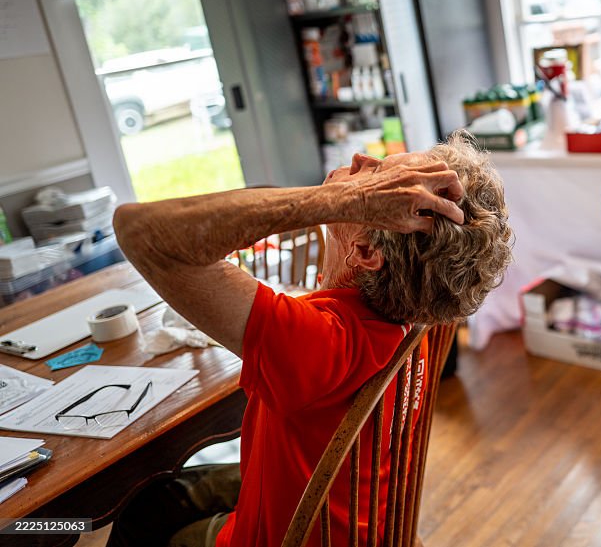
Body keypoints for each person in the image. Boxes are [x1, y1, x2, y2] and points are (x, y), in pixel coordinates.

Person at [107, 132, 513, 547]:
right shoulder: (417, 308)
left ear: (366, 251)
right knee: (158, 498)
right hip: (360, 505)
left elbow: (139, 230)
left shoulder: (320, 341)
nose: (359, 161)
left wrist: (340, 199)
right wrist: (355, 199)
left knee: (136, 520)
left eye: (374, 181)